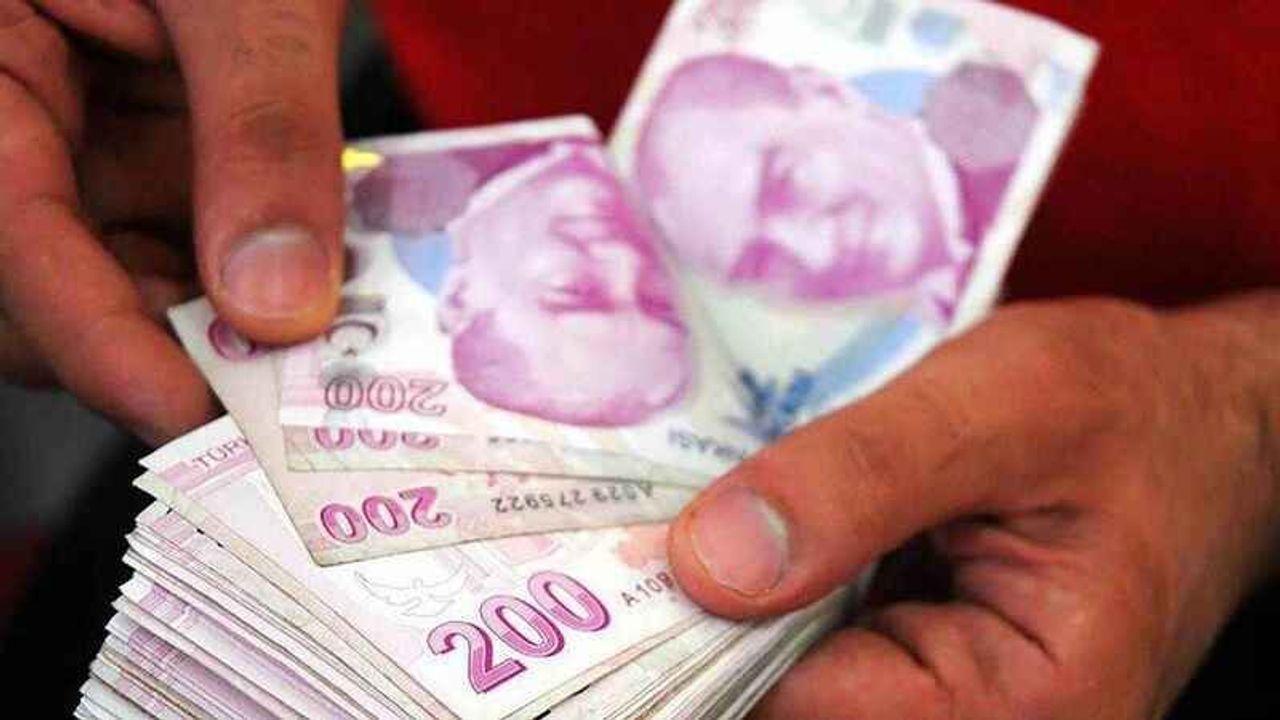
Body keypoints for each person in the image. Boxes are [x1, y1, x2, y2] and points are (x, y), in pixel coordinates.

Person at [0, 2, 1275, 719]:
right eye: (763, 248)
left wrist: (1246, 415)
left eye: (782, 192)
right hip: (331, 174)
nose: (802, 239)